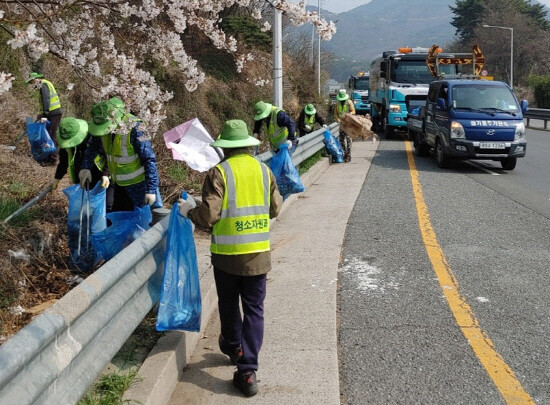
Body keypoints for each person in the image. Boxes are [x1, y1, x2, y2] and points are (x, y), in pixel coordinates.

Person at [178, 119, 283, 397]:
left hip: (226, 256)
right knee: (254, 309)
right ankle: (247, 371)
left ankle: (234, 347)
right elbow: (275, 208)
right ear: (248, 145)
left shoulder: (218, 173)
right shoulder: (264, 170)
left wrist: (189, 210)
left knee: (228, 303)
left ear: (224, 147)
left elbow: (209, 216)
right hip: (258, 254)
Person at [79, 97, 162, 212]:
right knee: (121, 220)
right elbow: (93, 147)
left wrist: (151, 189)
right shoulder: (102, 130)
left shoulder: (134, 127)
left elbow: (149, 159)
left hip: (140, 186)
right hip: (118, 184)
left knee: (146, 222)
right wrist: (85, 168)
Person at [51, 117, 108, 191]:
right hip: (81, 178)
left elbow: (108, 156)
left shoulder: (94, 137)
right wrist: (57, 178)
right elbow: (63, 162)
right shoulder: (66, 142)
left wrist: (106, 174)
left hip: (100, 179)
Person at [25, 72, 62, 165]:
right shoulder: (44, 84)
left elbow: (46, 100)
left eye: (32, 82)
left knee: (50, 135)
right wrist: (41, 114)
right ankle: (49, 156)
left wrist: (45, 115)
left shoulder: (43, 85)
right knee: (49, 134)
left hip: (53, 113)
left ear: (36, 79)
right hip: (52, 113)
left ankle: (52, 159)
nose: (32, 85)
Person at [333, 89, 355, 162]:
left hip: (348, 124)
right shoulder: (337, 103)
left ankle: (348, 155)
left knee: (349, 140)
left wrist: (350, 114)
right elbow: (335, 113)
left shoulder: (349, 102)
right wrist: (337, 119)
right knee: (341, 140)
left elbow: (353, 111)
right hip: (341, 124)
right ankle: (345, 153)